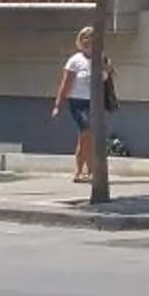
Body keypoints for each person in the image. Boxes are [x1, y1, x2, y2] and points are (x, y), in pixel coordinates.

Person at [52, 26, 106, 184]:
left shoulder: (100, 57)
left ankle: (89, 170)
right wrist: (58, 105)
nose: (88, 40)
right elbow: (65, 83)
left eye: (91, 37)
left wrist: (108, 69)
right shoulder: (75, 60)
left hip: (94, 101)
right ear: (80, 40)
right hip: (78, 101)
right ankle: (80, 169)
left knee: (89, 136)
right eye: (85, 37)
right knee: (86, 131)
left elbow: (109, 77)